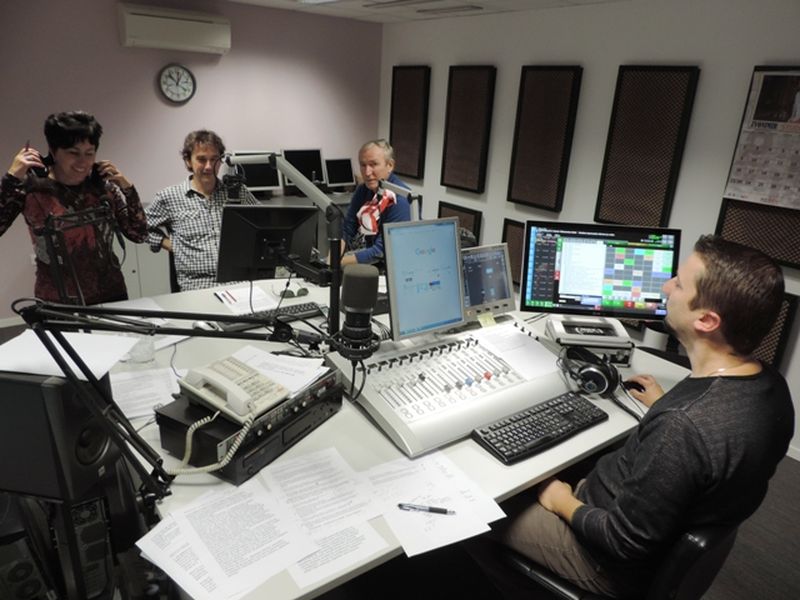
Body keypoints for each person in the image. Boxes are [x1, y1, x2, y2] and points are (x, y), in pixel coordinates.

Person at [470, 235, 794, 599]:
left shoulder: (682, 426)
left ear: (706, 319)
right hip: (649, 527)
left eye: (679, 284)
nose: (666, 287)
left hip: (602, 558)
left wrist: (560, 500)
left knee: (480, 508)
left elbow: (621, 541)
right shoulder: (770, 388)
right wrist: (665, 407)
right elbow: (711, 444)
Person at [0, 111, 146, 305]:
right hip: (57, 301)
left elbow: (139, 234)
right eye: (73, 153)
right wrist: (11, 179)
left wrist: (128, 189)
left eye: (89, 153)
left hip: (111, 295)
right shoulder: (31, 189)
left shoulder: (103, 187)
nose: (83, 162)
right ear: (53, 152)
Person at [145, 130, 257, 291]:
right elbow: (140, 227)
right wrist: (169, 244)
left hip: (239, 281)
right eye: (202, 160)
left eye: (214, 159)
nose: (209, 166)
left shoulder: (237, 192)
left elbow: (263, 222)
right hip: (197, 285)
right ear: (188, 161)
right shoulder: (169, 197)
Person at [340, 139, 411, 266]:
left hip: (396, 266)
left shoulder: (400, 200)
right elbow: (347, 229)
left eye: (373, 164)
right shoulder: (363, 190)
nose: (367, 172)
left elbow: (381, 251)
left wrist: (337, 263)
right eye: (363, 165)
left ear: (390, 165)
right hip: (375, 260)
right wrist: (331, 260)